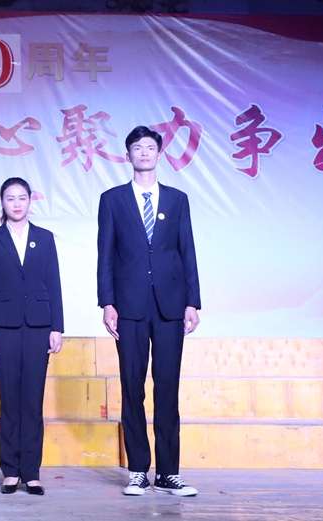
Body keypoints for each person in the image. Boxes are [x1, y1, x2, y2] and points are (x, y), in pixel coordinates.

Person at [97, 126, 201, 497]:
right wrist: (107, 302)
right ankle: (138, 470)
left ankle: (169, 472)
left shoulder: (177, 199)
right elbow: (105, 254)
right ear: (128, 155)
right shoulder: (112, 199)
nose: (144, 152)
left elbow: (187, 250)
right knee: (132, 387)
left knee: (168, 388)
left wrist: (193, 301)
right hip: (129, 305)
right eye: (137, 148)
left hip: (171, 304)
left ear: (159, 154)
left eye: (150, 147)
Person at [0, 177, 64, 496]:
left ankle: (32, 472)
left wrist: (57, 327)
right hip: (3, 326)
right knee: (9, 398)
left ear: (30, 201)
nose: (16, 203)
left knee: (32, 399)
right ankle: (10, 471)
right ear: (2, 202)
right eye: (10, 198)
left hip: (39, 325)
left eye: (22, 197)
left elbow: (53, 283)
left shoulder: (44, 238)